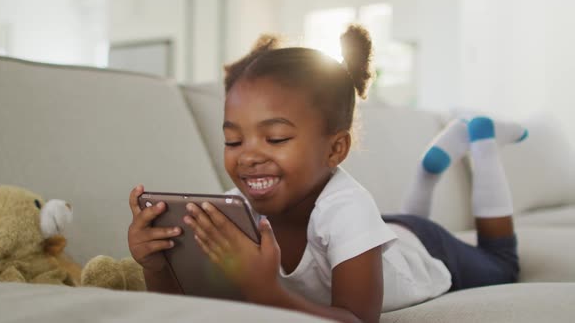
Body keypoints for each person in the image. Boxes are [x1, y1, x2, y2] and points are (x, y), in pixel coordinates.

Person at [127, 25, 526, 323]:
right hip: (380, 233)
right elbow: (190, 305)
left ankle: (482, 143)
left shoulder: (348, 209)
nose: (248, 157)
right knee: (390, 226)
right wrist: (157, 266)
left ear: (335, 149)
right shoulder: (234, 208)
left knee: (503, 263)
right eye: (233, 141)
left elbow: (357, 318)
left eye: (276, 138)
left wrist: (264, 290)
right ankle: (426, 172)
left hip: (425, 251)